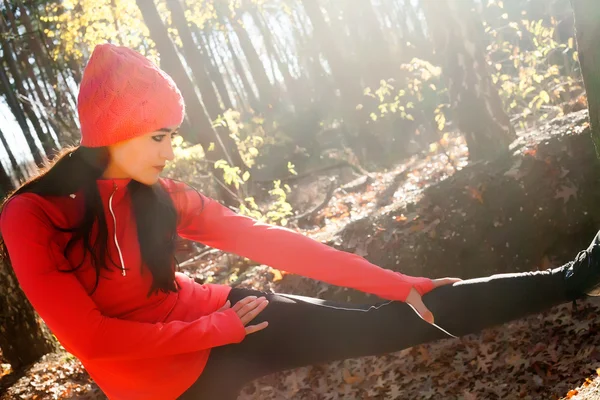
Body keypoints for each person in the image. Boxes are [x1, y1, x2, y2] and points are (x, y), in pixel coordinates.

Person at [1, 43, 599, 400]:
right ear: (115, 131)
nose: (169, 151)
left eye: (171, 137)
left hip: (227, 319)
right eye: (159, 136)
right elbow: (91, 339)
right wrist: (217, 332)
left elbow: (270, 242)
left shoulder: (156, 194)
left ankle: (577, 276)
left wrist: (398, 282)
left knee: (392, 320)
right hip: (162, 381)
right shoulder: (31, 217)